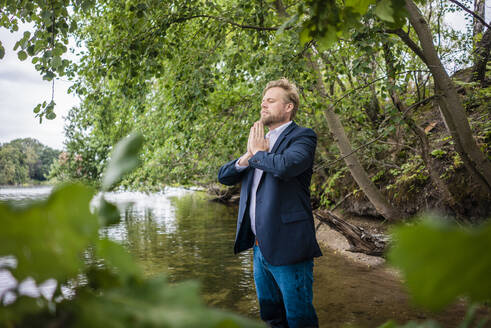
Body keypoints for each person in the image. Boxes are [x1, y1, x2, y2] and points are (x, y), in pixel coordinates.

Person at [218, 78, 322, 328]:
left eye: (271, 100)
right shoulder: (258, 144)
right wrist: (248, 156)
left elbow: (287, 166)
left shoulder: (303, 137)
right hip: (259, 248)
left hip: (289, 245)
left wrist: (258, 154)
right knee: (272, 317)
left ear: (289, 107)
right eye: (263, 100)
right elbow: (224, 175)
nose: (263, 104)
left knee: (299, 319)